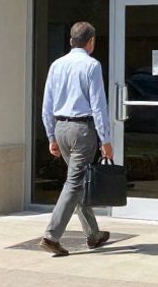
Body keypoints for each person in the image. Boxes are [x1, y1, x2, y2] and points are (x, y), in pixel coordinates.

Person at [38, 20, 113, 257]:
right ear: (91, 42)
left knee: (77, 181)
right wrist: (106, 140)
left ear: (71, 41)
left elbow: (46, 105)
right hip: (82, 131)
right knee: (74, 183)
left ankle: (93, 233)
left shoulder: (56, 65)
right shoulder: (92, 65)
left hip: (61, 128)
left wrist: (51, 135)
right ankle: (51, 236)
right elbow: (99, 106)